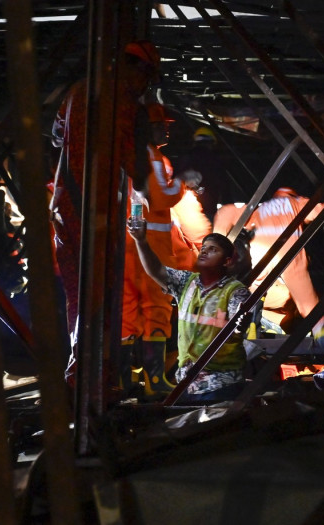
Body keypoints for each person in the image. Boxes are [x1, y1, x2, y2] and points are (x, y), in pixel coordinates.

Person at [49, 40, 161, 382]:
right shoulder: (124, 104)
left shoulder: (76, 91)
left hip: (64, 207)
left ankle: (77, 367)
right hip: (94, 211)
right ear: (135, 68)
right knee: (100, 291)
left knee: (76, 292)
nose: (146, 86)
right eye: (147, 77)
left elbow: (56, 135)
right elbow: (136, 170)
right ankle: (92, 372)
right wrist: (142, 211)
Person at [213, 186, 324, 369]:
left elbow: (229, 214)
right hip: (290, 257)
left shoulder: (261, 208)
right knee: (311, 309)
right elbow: (323, 211)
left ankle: (249, 343)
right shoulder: (295, 203)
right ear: (293, 195)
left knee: (251, 299)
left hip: (262, 255)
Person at [120, 103, 200, 397]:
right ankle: (155, 382)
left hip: (128, 244)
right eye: (160, 124)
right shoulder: (154, 157)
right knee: (157, 307)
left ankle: (123, 381)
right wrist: (182, 182)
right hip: (152, 245)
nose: (165, 128)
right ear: (146, 127)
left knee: (127, 309)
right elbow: (162, 198)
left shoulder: (124, 155)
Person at [127, 220, 251, 403]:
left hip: (222, 386)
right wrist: (141, 240)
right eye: (204, 247)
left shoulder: (235, 291)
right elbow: (156, 271)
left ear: (227, 261)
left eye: (213, 249)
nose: (205, 251)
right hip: (188, 383)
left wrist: (241, 324)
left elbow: (238, 324)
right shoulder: (187, 282)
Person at [175, 126, 233, 223]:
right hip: (208, 210)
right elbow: (224, 186)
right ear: (211, 143)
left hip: (184, 211)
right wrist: (229, 209)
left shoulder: (185, 158)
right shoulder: (215, 160)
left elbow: (176, 180)